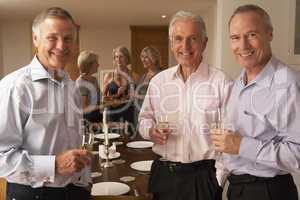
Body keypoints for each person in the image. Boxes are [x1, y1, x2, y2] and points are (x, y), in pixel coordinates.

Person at [0, 7, 92, 200]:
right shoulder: (15, 86)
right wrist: (54, 165)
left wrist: (85, 181)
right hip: (33, 194)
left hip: (74, 191)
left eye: (68, 39)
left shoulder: (71, 86)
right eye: (52, 37)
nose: (61, 45)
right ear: (35, 39)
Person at [138, 10, 232, 200]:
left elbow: (232, 135)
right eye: (178, 39)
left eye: (193, 39)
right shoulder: (158, 81)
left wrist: (217, 179)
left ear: (204, 42)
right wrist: (150, 131)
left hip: (203, 178)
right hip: (163, 174)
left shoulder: (222, 82)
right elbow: (144, 120)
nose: (185, 46)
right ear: (172, 43)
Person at [211, 4, 300, 200]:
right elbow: (230, 143)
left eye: (251, 35)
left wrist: (241, 146)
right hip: (237, 188)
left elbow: (297, 154)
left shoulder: (287, 84)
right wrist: (218, 181)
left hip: (269, 192)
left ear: (269, 34)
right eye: (235, 38)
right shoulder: (238, 82)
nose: (243, 46)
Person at [103, 46, 139, 135]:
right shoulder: (108, 76)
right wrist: (115, 98)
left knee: (129, 142)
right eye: (116, 57)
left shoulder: (134, 76)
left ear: (127, 58)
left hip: (129, 114)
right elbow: (103, 98)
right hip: (113, 114)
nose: (119, 59)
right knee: (113, 142)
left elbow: (135, 98)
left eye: (121, 56)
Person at [76, 50, 102, 124]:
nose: (98, 65)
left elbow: (98, 100)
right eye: (96, 62)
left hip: (98, 117)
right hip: (88, 121)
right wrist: (102, 106)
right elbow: (84, 109)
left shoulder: (94, 80)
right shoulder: (81, 83)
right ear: (89, 65)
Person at [135, 46, 161, 111]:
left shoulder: (160, 76)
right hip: (138, 112)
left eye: (146, 57)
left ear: (154, 58)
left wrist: (136, 96)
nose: (143, 60)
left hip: (151, 114)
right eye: (142, 57)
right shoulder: (143, 76)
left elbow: (158, 97)